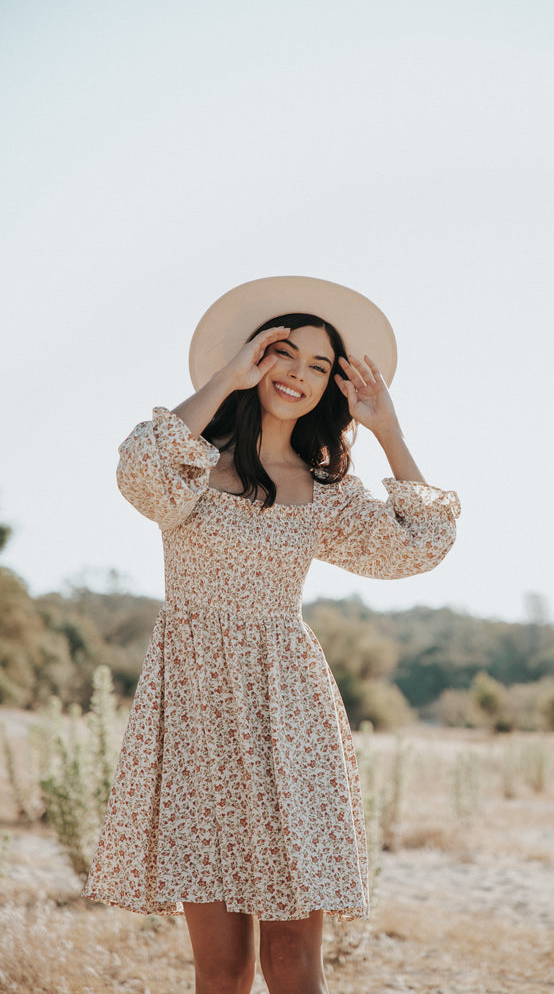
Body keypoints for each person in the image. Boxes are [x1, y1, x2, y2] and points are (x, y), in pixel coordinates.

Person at [83, 276, 461, 994]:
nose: (298, 375)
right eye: (284, 354)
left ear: (332, 389)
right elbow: (140, 468)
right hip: (196, 712)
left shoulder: (323, 492)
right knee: (221, 970)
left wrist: (388, 431)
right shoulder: (190, 466)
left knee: (293, 963)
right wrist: (225, 376)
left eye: (320, 367)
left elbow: (420, 544)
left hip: (291, 719)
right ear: (257, 359)